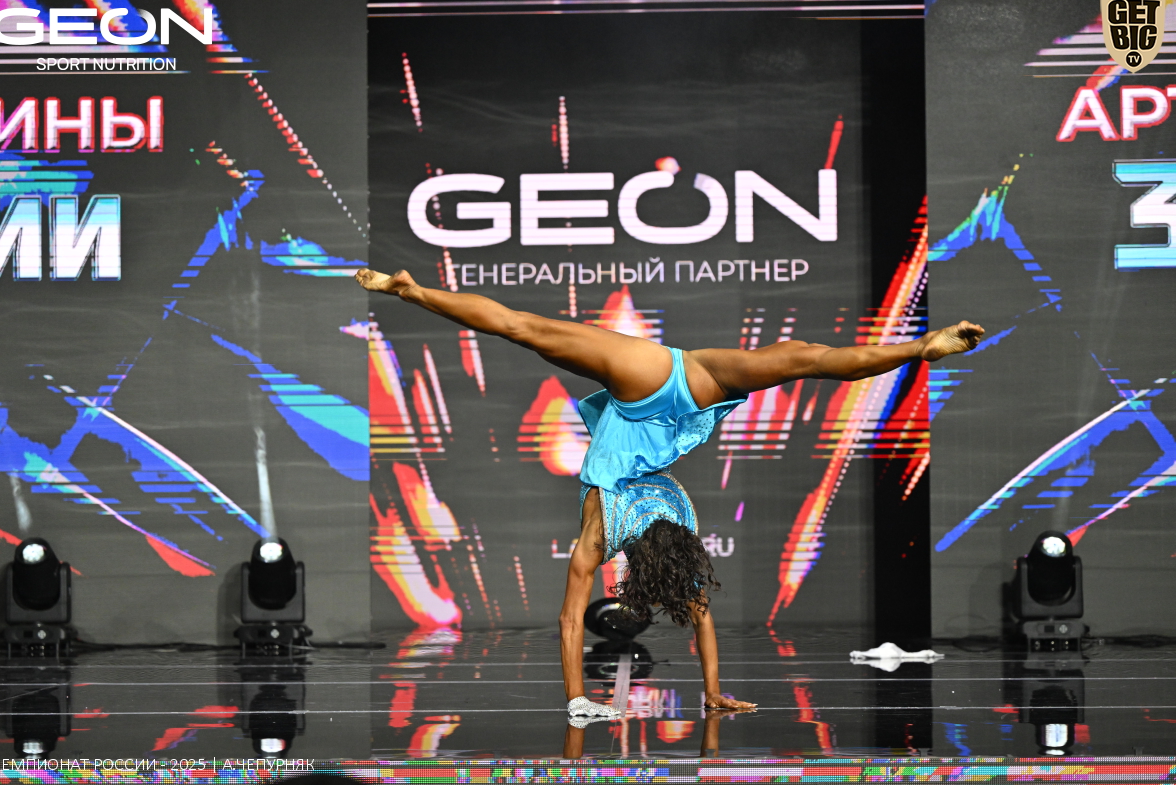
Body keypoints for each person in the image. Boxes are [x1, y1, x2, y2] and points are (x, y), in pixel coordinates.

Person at [356, 268, 984, 719]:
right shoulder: (604, 532)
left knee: (802, 358)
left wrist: (709, 691)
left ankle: (919, 348)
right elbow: (571, 620)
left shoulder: (678, 519)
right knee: (526, 329)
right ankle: (412, 291)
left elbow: (700, 619)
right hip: (651, 390)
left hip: (688, 384)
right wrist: (578, 700)